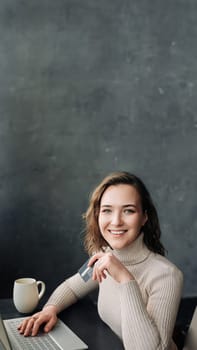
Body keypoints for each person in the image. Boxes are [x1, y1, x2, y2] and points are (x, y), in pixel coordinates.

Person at [18, 171, 183, 350]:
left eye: (128, 210)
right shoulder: (104, 256)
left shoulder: (167, 275)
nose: (116, 221)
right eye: (107, 210)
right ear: (98, 215)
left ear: (144, 217)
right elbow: (73, 287)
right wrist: (50, 309)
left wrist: (125, 278)